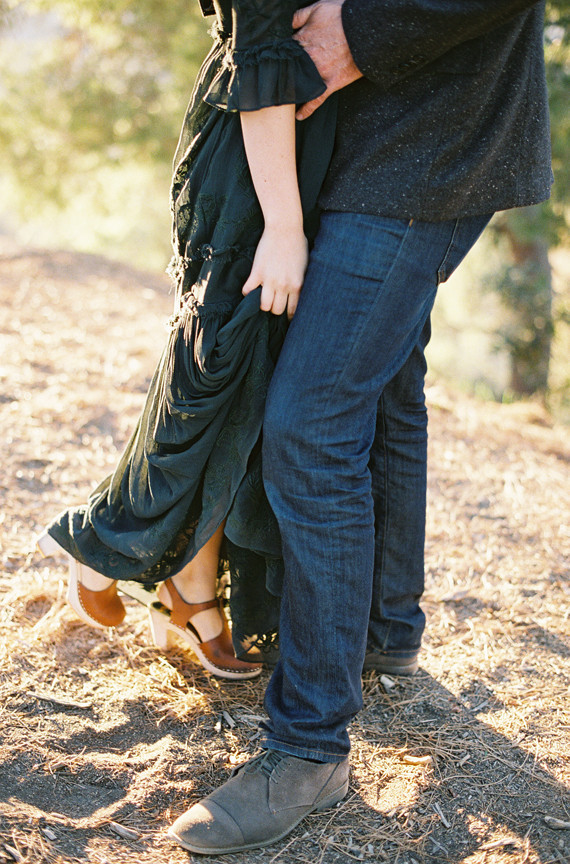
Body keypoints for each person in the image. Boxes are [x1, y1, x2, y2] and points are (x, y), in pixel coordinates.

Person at [166, 0, 553, 855]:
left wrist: (362, 31)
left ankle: (309, 748)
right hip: (357, 145)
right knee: (386, 389)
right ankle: (384, 635)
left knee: (309, 427)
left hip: (426, 140)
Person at [37, 0, 337, 679]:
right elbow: (258, 47)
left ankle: (194, 586)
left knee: (252, 391)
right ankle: (107, 539)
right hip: (252, 168)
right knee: (213, 371)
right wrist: (284, 227)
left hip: (302, 162)